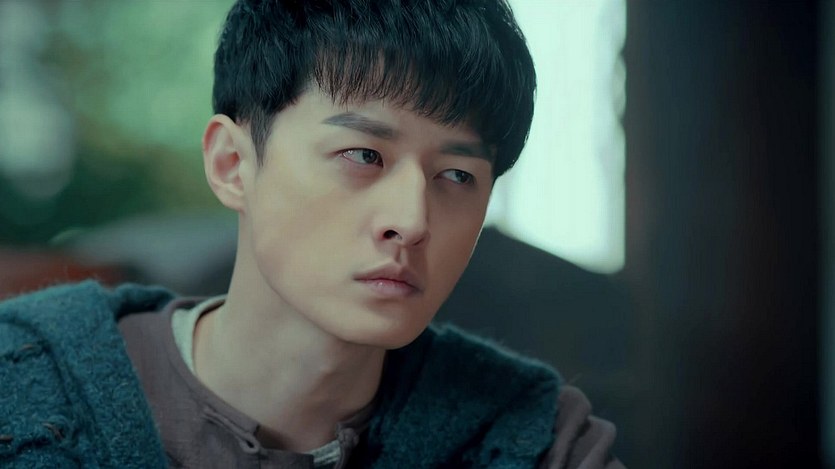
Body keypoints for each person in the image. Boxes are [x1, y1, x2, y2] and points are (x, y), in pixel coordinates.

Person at [0, 0, 624, 467]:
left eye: (457, 175)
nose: (412, 221)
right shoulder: (25, 391)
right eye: (363, 155)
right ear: (232, 164)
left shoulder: (535, 439)